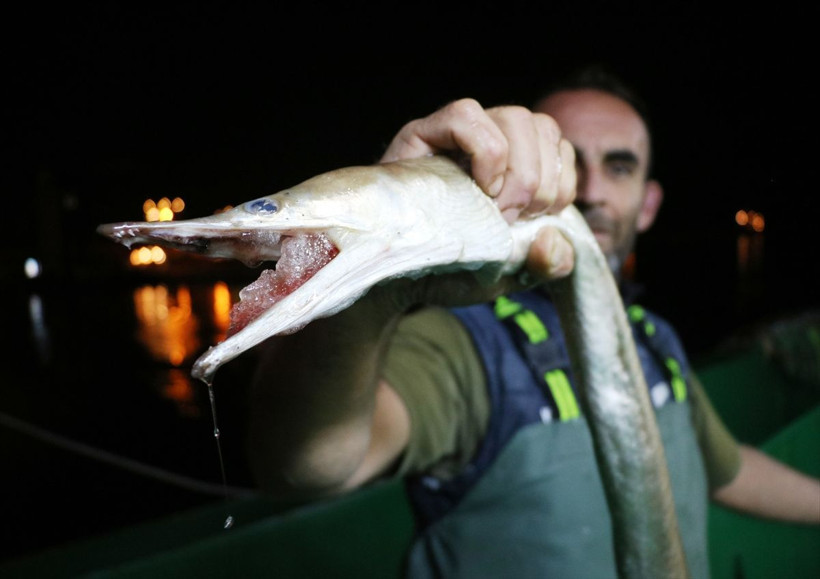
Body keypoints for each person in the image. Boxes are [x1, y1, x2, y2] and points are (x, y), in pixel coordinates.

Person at [246, 67, 820, 577]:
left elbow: (728, 468)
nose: (590, 193)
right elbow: (305, 467)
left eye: (618, 167)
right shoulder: (462, 341)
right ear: (525, 175)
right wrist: (375, 289)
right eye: (567, 161)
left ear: (647, 205)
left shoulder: (655, 338)